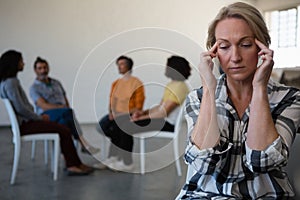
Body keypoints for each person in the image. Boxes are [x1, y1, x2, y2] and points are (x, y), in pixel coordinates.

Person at [177, 2, 300, 199]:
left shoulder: (290, 99)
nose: (235, 57)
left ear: (262, 47)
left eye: (245, 45)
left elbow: (262, 161)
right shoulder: (198, 98)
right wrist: (209, 89)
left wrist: (260, 88)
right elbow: (203, 165)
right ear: (214, 53)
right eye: (224, 46)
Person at [0, 50, 93, 176]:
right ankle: (73, 164)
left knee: (64, 124)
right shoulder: (12, 82)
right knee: (64, 129)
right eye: (21, 61)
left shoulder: (8, 81)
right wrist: (39, 118)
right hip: (26, 124)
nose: (23, 63)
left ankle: (75, 163)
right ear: (14, 63)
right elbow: (21, 109)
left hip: (28, 122)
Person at [102, 55, 191, 171]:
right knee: (119, 123)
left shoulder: (180, 87)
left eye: (167, 66)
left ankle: (127, 164)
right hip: (160, 119)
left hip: (167, 123)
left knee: (126, 126)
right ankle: (114, 157)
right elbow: (159, 107)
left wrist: (140, 118)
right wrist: (143, 113)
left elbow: (163, 113)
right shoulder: (172, 84)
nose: (165, 68)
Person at [29, 57, 100, 155]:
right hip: (47, 115)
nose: (43, 71)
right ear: (35, 70)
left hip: (62, 113)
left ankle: (68, 157)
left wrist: (65, 108)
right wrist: (62, 108)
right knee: (68, 112)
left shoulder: (56, 83)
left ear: (48, 68)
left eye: (45, 68)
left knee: (65, 121)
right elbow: (44, 106)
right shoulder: (34, 88)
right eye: (40, 68)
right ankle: (83, 144)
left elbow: (64, 97)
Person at [95, 55, 145, 169]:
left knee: (121, 126)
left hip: (128, 114)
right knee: (102, 126)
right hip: (116, 114)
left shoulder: (137, 83)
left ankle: (121, 160)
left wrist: (121, 114)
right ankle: (115, 155)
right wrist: (111, 112)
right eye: (118, 64)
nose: (119, 67)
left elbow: (138, 107)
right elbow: (112, 101)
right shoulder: (115, 83)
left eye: (122, 64)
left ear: (129, 66)